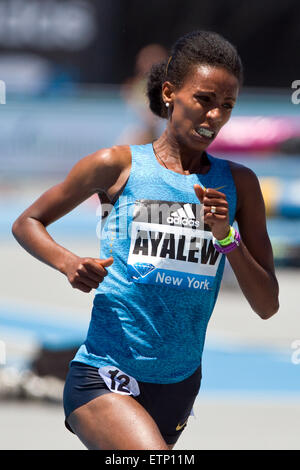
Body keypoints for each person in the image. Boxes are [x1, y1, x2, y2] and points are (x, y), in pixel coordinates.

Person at [12, 30, 279, 450]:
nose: (214, 117)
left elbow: (267, 305)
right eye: (204, 100)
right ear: (170, 93)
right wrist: (67, 263)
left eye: (227, 106)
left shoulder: (239, 185)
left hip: (178, 384)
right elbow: (27, 221)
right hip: (103, 373)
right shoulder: (117, 166)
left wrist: (226, 237)